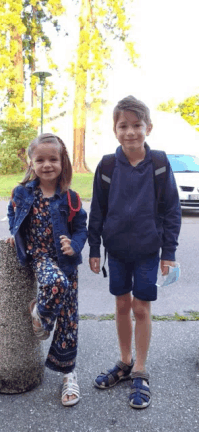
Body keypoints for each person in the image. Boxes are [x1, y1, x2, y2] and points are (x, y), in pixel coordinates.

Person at [88, 95, 181, 409]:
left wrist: (168, 252)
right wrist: (95, 247)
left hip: (147, 250)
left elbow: (171, 210)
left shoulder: (159, 163)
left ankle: (140, 368)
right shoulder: (108, 165)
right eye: (123, 125)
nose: (130, 131)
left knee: (141, 308)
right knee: (121, 306)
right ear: (115, 130)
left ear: (148, 128)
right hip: (116, 250)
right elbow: (97, 211)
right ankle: (125, 362)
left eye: (136, 125)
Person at [6, 132, 87, 406]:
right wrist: (14, 233)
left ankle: (69, 377)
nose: (47, 164)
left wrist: (75, 245)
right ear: (31, 162)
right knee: (56, 284)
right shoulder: (23, 192)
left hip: (67, 262)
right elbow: (12, 211)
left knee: (69, 322)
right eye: (40, 159)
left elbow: (81, 228)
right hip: (41, 257)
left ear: (62, 161)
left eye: (53, 159)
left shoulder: (70, 198)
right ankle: (39, 314)